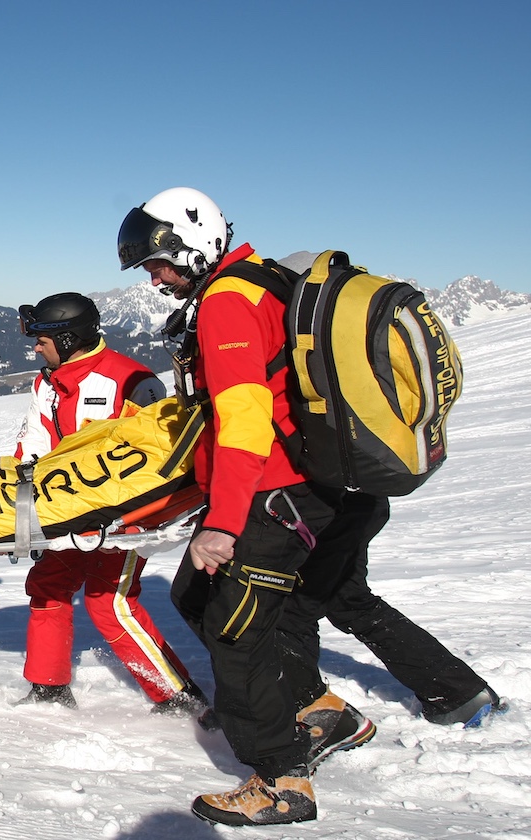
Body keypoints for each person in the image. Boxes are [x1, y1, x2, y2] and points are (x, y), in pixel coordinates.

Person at [118, 187, 344, 826]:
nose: (157, 278)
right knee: (194, 595)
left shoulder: (224, 304)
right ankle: (320, 710)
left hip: (272, 495)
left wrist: (222, 521)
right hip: (283, 488)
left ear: (195, 246)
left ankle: (281, 779)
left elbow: (244, 423)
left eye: (160, 263)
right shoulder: (260, 279)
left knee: (231, 629)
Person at [11, 292, 216, 727]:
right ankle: (48, 687)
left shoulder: (130, 381)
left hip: (123, 517)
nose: (35, 347)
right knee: (47, 584)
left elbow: (162, 453)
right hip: (65, 509)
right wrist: (27, 505)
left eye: (42, 339)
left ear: (68, 339)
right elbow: (35, 444)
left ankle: (177, 695)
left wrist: (131, 515)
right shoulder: (47, 381)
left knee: (110, 601)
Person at [278, 488, 505, 728]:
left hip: (320, 509)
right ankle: (459, 694)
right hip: (359, 502)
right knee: (348, 600)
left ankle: (308, 721)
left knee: (292, 610)